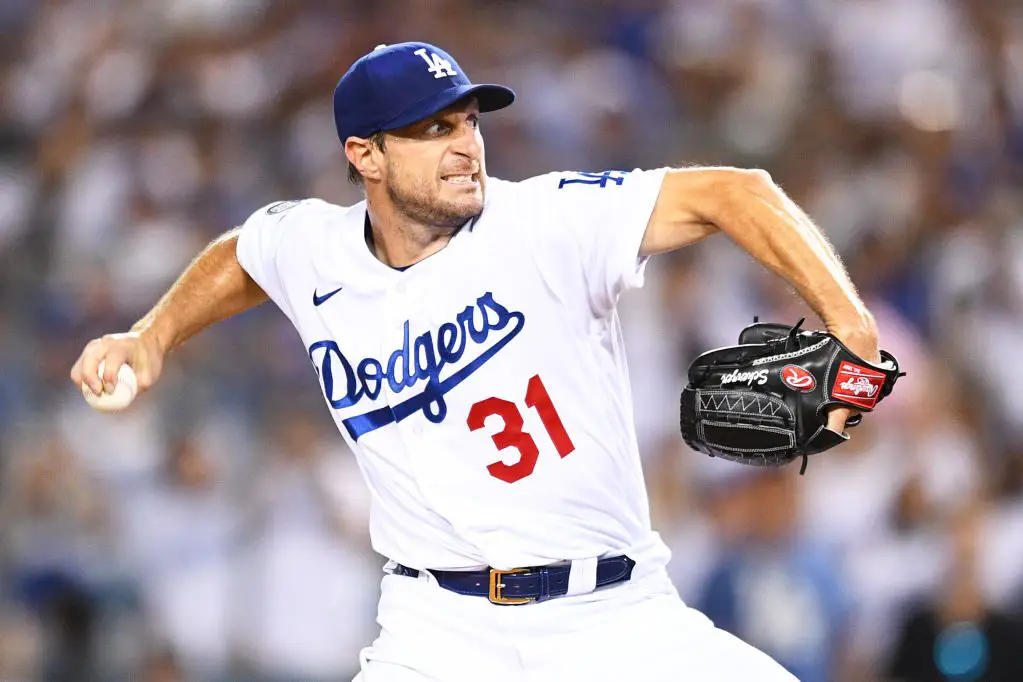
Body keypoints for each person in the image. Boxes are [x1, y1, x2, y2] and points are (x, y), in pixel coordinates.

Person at [71, 42, 881, 681]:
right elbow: (245, 255)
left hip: (612, 617)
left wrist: (848, 317)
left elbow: (734, 191)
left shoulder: (545, 222)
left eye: (468, 121)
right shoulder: (315, 248)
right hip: (438, 632)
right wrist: (150, 336)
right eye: (433, 129)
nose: (465, 146)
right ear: (366, 156)